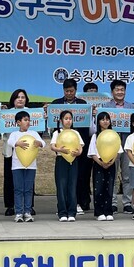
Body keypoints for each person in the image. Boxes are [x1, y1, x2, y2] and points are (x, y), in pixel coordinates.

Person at [52, 79, 89, 214]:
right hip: (61, 151)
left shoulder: (82, 104)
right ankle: (62, 207)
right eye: (66, 91)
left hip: (76, 147)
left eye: (71, 91)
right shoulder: (56, 104)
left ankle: (77, 203)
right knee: (62, 182)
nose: (69, 93)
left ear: (75, 90)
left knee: (78, 178)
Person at [7, 110, 44, 222]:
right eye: (25, 120)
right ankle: (18, 212)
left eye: (29, 120)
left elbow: (43, 143)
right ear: (18, 122)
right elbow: (10, 142)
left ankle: (27, 212)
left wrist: (40, 143)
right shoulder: (14, 134)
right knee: (18, 189)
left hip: (31, 166)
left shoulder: (34, 133)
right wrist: (17, 143)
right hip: (17, 165)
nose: (27, 122)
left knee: (28, 189)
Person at [109, 79, 134, 213]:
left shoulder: (131, 107)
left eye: (122, 90)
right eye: (117, 90)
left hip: (127, 145)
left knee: (127, 176)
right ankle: (112, 202)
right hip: (111, 146)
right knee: (112, 175)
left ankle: (127, 202)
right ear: (112, 91)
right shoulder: (106, 106)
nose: (120, 92)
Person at [51, 110, 83, 222]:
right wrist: (59, 149)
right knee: (61, 186)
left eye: (70, 118)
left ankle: (72, 212)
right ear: (61, 121)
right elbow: (52, 146)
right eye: (66, 118)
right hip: (61, 160)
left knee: (72, 186)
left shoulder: (76, 133)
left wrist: (78, 153)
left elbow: (80, 147)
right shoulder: (57, 133)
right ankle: (62, 212)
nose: (68, 121)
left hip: (73, 161)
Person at [4, 88, 32, 216]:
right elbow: (2, 132)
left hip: (28, 151)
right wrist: (0, 118)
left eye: (22, 97)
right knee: (10, 179)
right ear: (13, 100)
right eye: (17, 97)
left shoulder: (32, 113)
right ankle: (10, 206)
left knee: (28, 180)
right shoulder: (6, 114)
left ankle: (28, 207)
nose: (20, 99)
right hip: (11, 150)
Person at [89, 111, 119, 221]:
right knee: (99, 188)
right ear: (98, 122)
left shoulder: (113, 135)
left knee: (109, 187)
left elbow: (117, 150)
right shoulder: (95, 136)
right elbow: (92, 152)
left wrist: (111, 161)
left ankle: (108, 211)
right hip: (98, 163)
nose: (105, 121)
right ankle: (99, 212)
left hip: (111, 163)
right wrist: (101, 162)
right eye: (102, 119)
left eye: (107, 119)